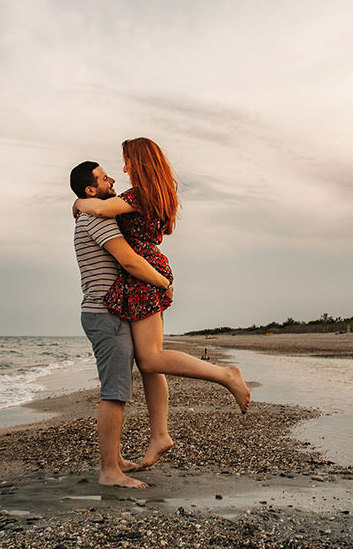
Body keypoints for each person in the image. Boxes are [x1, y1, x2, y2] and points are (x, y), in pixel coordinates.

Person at [72, 138, 251, 434]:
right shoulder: (158, 194)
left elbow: (102, 211)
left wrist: (78, 201)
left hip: (143, 275)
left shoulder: (138, 196)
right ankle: (160, 435)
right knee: (150, 363)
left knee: (152, 358)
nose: (124, 168)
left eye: (128, 161)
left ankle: (226, 376)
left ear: (140, 163)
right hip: (149, 271)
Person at [71, 160, 174, 489]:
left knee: (118, 388)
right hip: (105, 313)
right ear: (91, 190)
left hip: (105, 312)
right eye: (103, 178)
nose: (112, 179)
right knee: (114, 393)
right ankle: (109, 472)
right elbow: (129, 260)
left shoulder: (95, 213)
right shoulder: (97, 218)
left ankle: (114, 461)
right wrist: (164, 282)